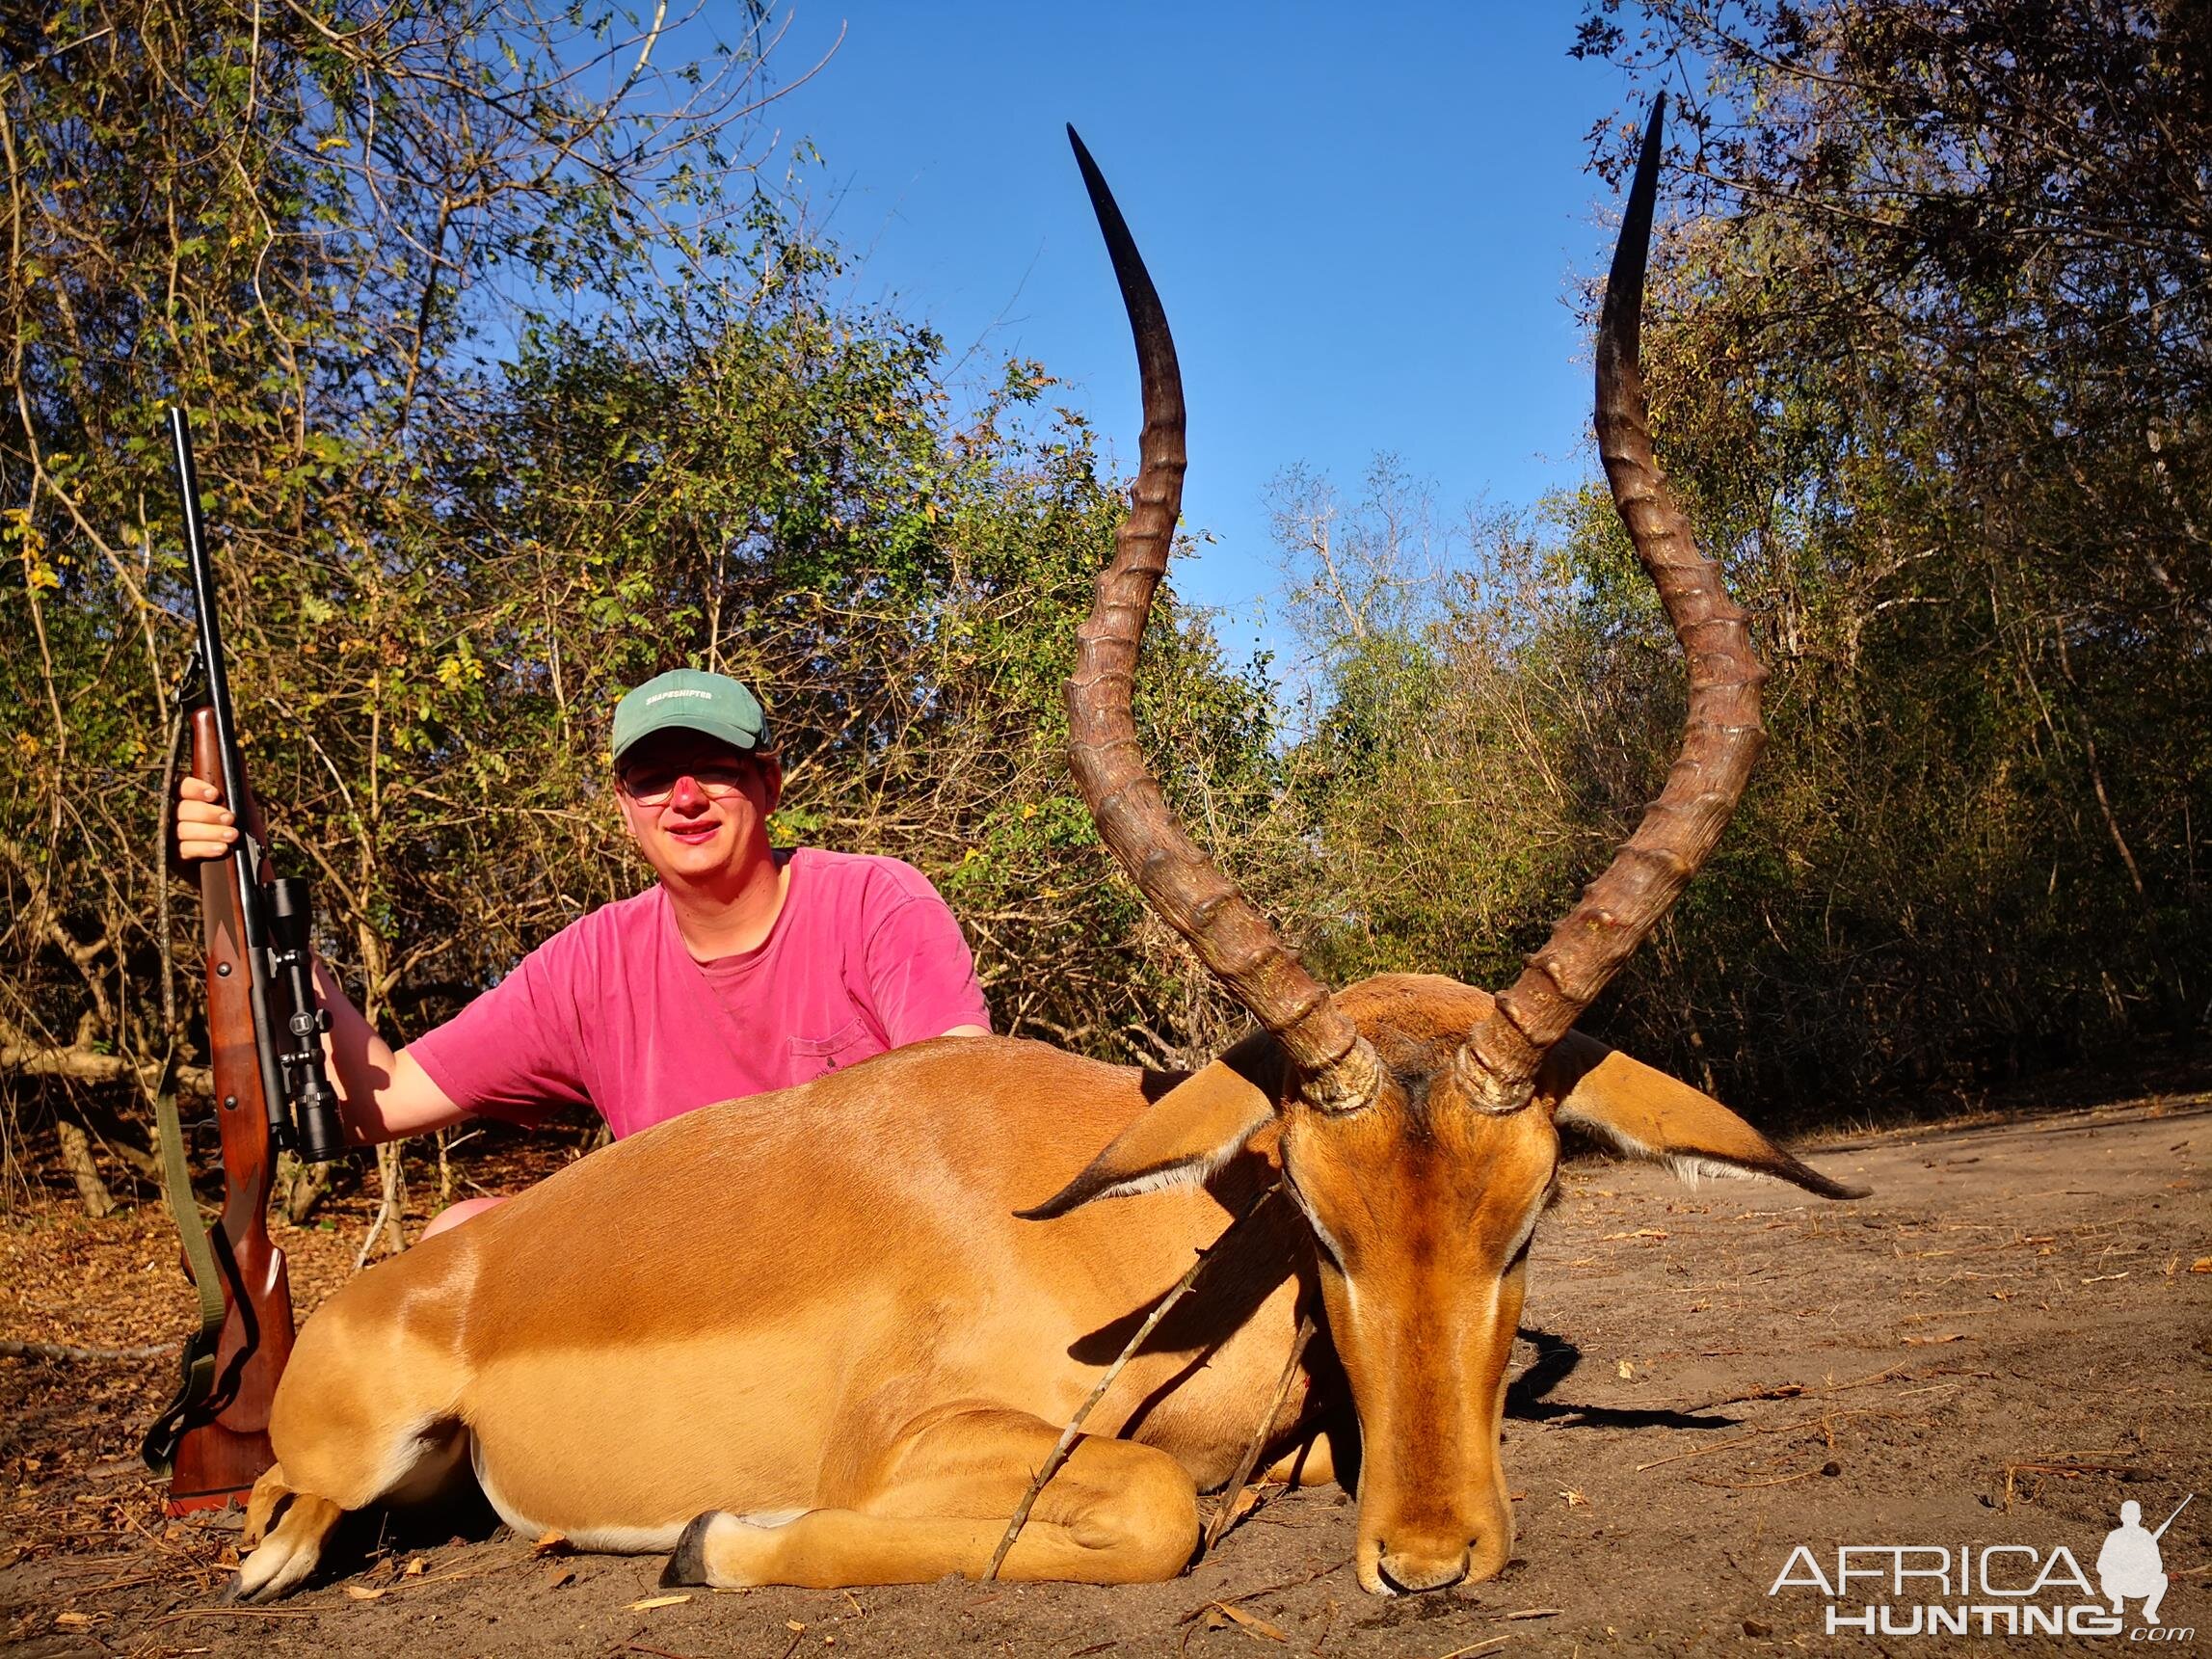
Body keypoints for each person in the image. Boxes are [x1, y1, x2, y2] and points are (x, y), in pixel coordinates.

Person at [175, 668, 991, 1236]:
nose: (684, 797)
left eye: (713, 767)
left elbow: (966, 1106)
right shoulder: (594, 964)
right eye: (651, 777)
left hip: (857, 1267)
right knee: (460, 1233)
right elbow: (375, 1103)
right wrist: (255, 894)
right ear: (623, 805)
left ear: (769, 783)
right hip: (676, 1285)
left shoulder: (876, 901)